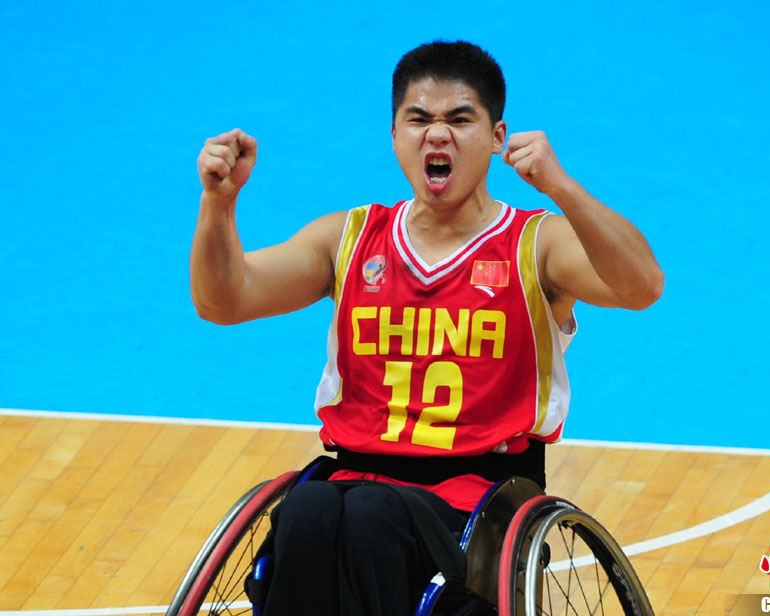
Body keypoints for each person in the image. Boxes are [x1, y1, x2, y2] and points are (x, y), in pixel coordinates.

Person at [191, 41, 662, 616]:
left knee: (371, 516)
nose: (437, 135)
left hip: (477, 500)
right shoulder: (349, 238)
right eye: (418, 120)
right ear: (395, 135)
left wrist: (561, 186)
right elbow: (223, 301)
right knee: (306, 510)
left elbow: (642, 287)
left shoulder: (534, 245)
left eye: (459, 120)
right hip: (351, 479)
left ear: (497, 137)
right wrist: (219, 204)